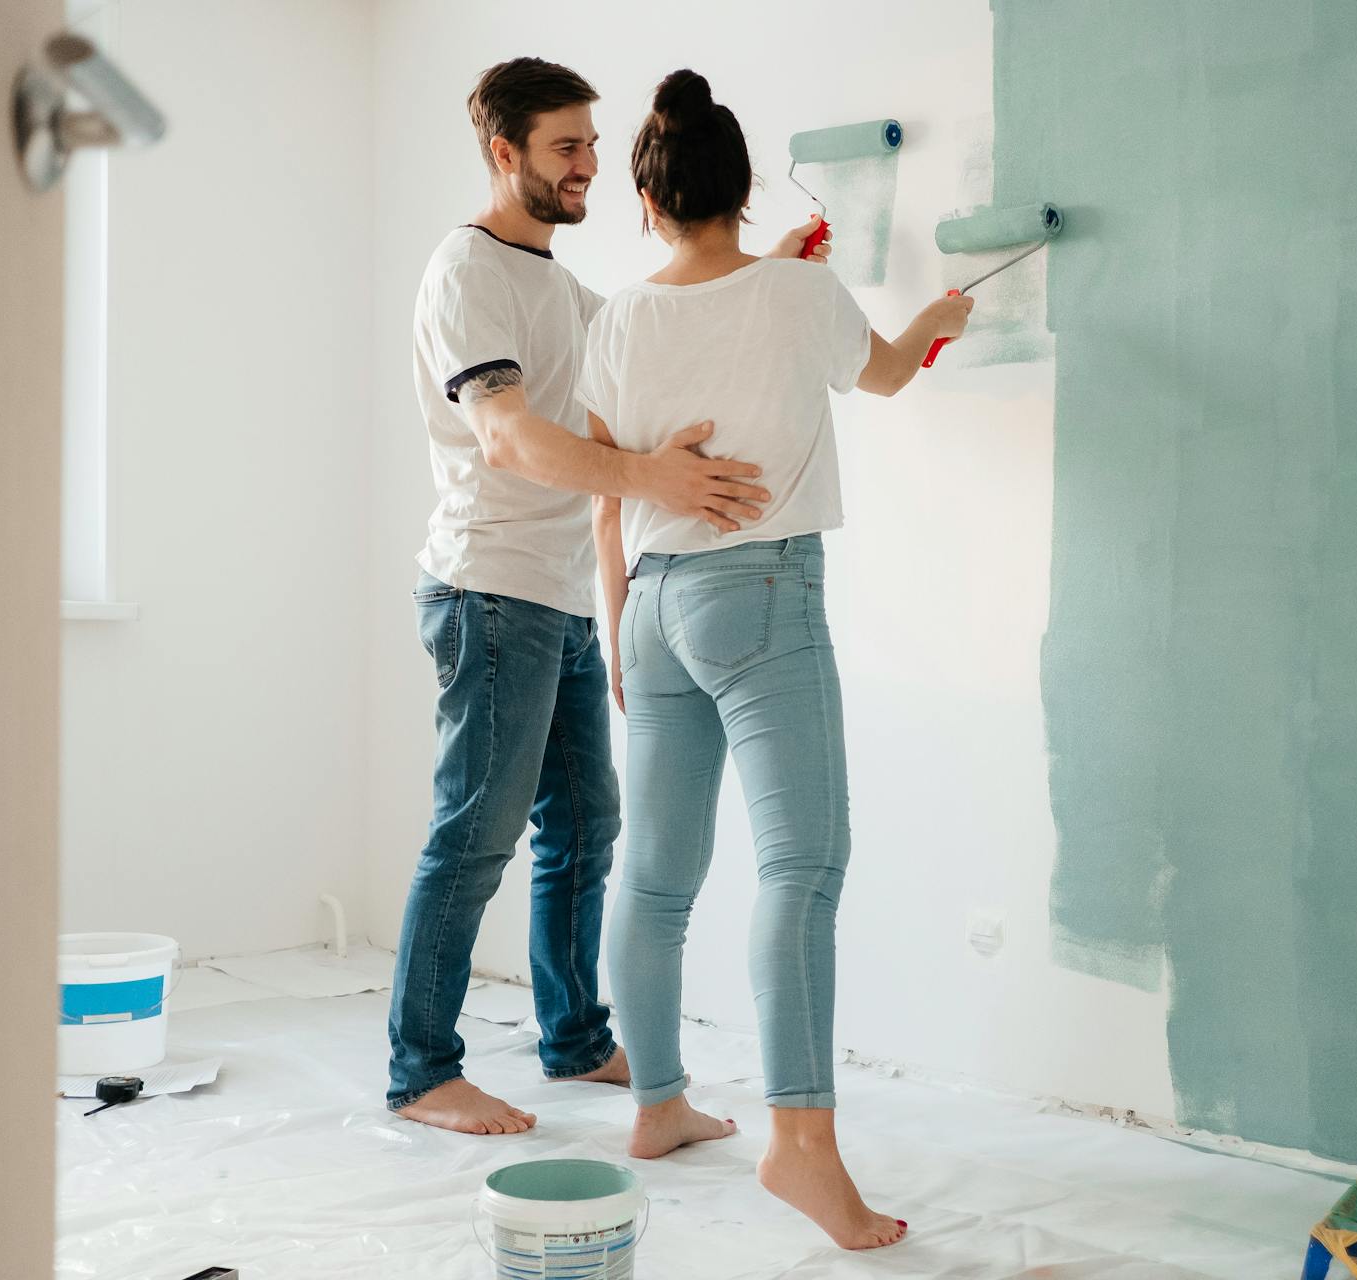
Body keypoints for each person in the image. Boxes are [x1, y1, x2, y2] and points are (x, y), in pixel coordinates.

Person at [387, 56, 831, 1137]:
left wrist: (763, 269)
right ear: (506, 154)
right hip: (488, 587)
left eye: (593, 143)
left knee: (587, 827)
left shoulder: (565, 288)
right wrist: (649, 478)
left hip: (568, 597)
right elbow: (508, 433)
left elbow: (653, 343)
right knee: (477, 830)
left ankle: (576, 1033)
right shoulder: (468, 271)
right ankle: (421, 1066)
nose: (589, 163)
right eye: (567, 147)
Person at [582, 70, 973, 1249]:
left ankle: (656, 1105)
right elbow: (888, 370)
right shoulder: (800, 293)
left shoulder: (614, 319)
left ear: (648, 204)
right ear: (743, 191)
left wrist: (614, 634)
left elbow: (606, 495)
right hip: (759, 596)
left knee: (652, 875)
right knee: (802, 868)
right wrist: (938, 320)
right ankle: (801, 1145)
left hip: (647, 602)